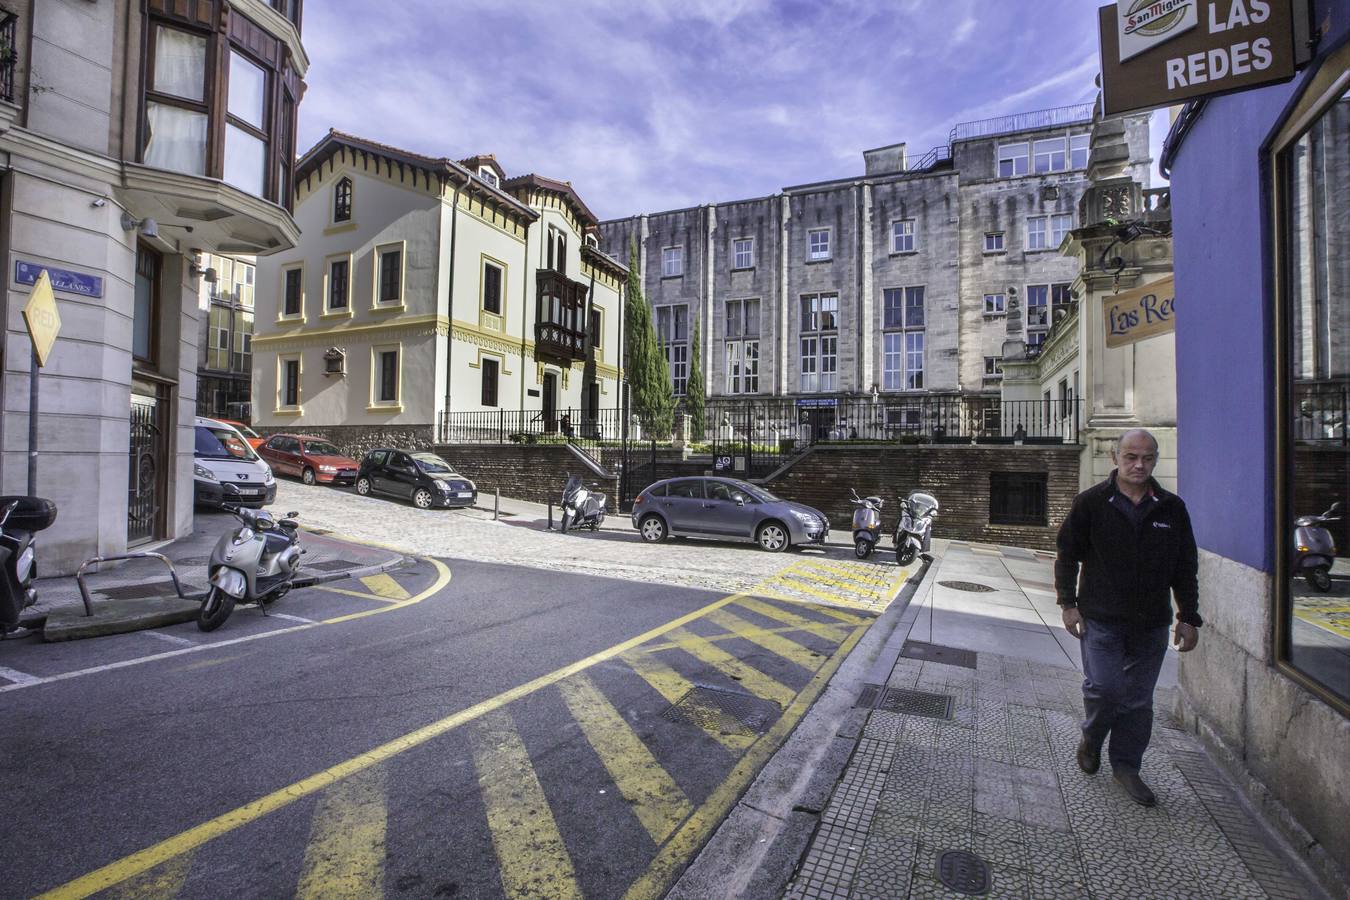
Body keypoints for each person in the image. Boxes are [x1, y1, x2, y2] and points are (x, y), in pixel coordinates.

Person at [1054, 428, 1201, 807]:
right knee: (1105, 689)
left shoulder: (1171, 508)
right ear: (1115, 458)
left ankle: (1126, 766)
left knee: (1137, 701)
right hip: (1101, 617)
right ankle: (1091, 736)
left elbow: (1185, 566)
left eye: (1147, 458)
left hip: (1151, 623)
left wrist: (1189, 616)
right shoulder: (1092, 503)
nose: (1139, 464)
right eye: (1131, 457)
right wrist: (1068, 603)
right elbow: (1067, 554)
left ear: (1154, 460)